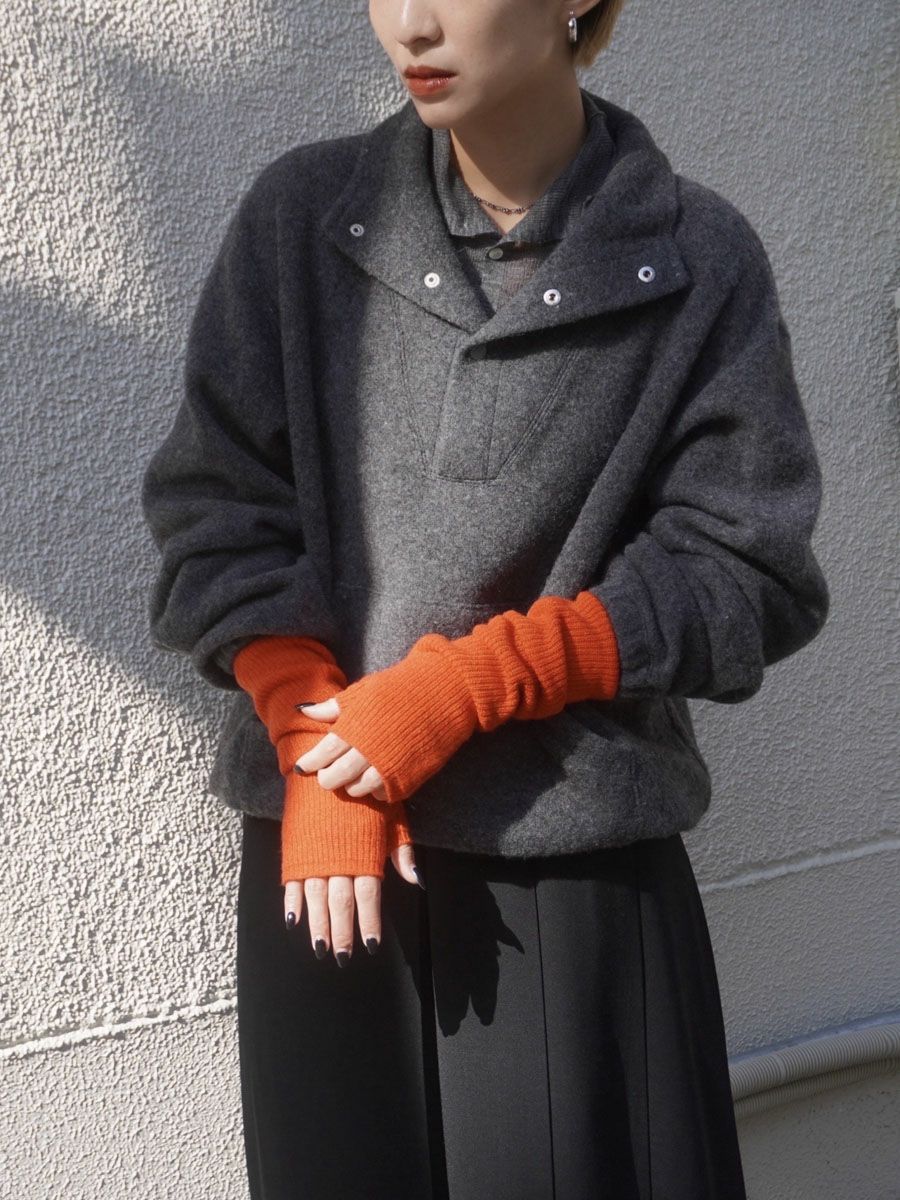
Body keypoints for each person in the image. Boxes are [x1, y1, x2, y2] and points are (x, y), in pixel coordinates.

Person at [141, 1, 830, 1197]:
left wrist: (475, 682)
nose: (410, 23)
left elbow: (744, 570)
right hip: (330, 866)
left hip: (570, 877)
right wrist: (312, 742)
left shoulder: (694, 255)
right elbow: (217, 514)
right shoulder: (301, 220)